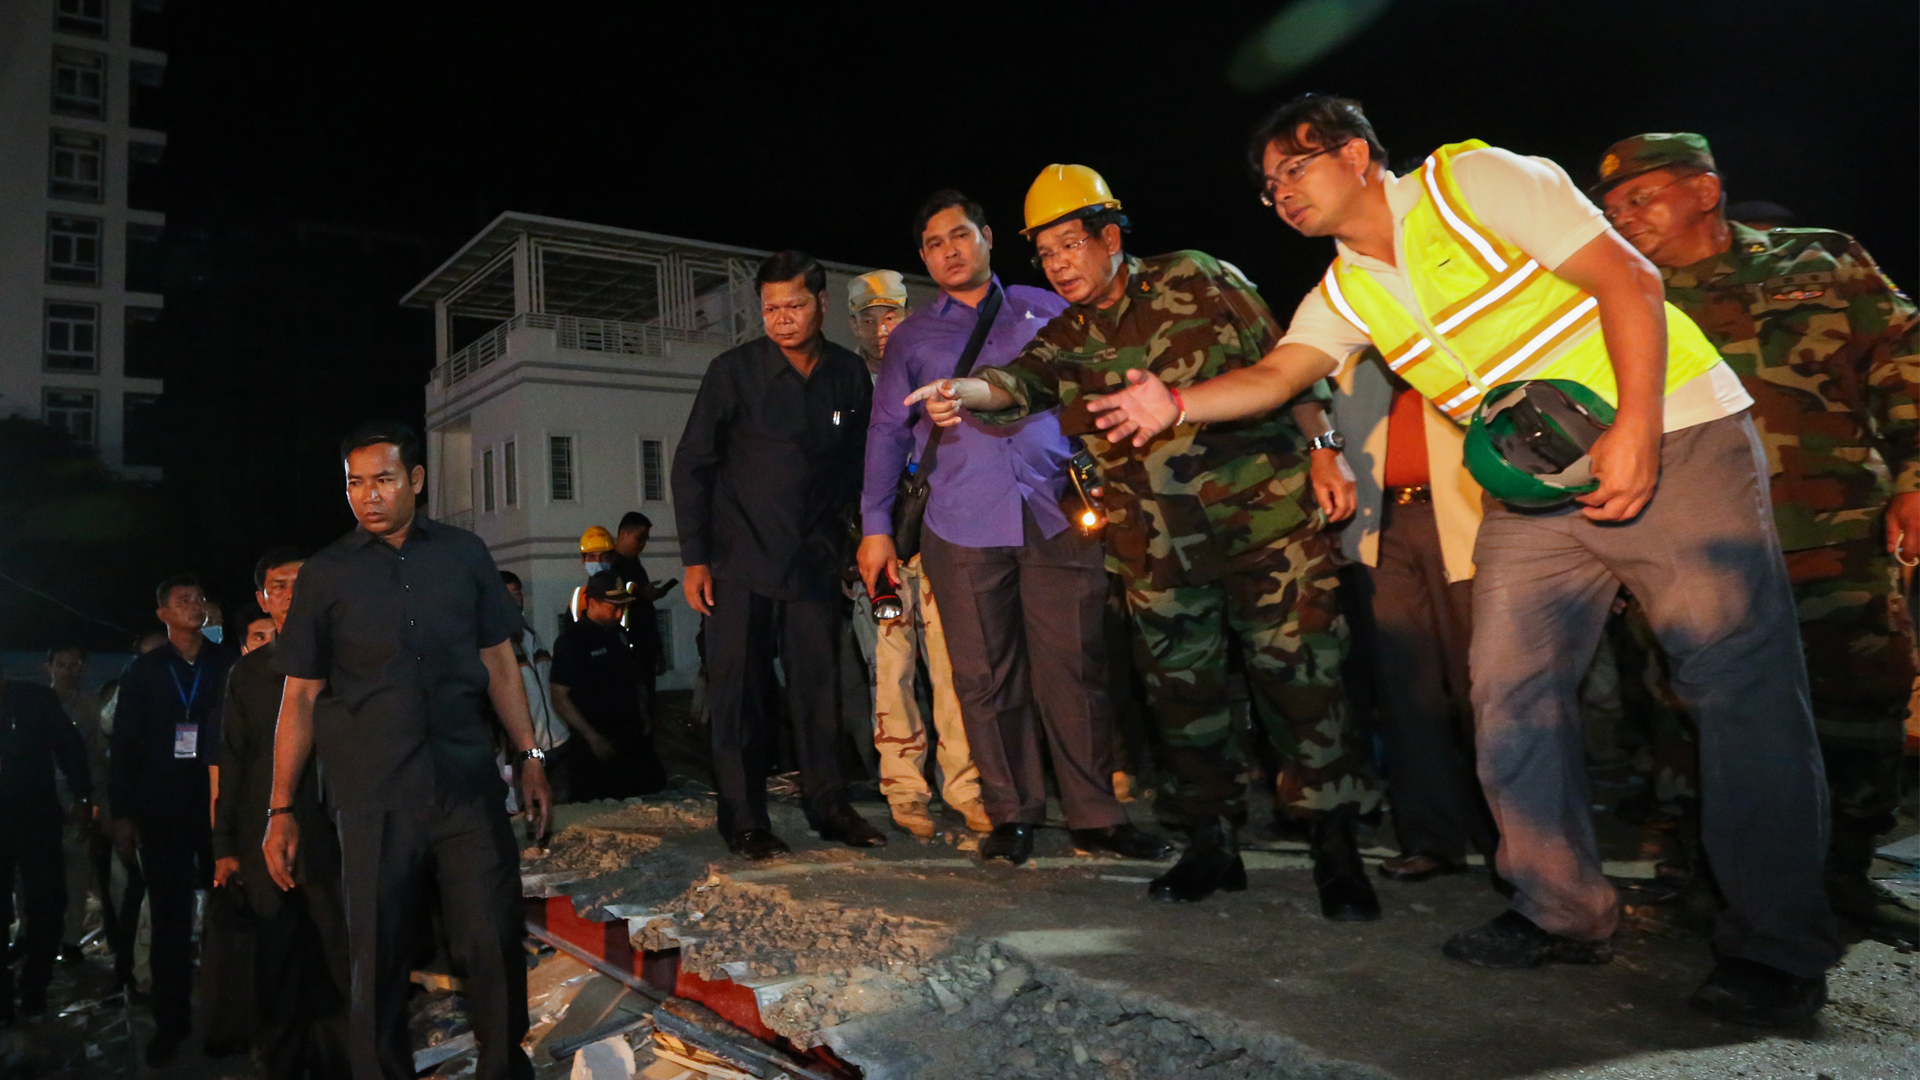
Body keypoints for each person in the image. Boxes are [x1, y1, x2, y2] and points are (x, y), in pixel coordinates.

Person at [1088, 94, 1837, 1024]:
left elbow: (1628, 280)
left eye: (1296, 168)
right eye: (1268, 185)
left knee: (1738, 691)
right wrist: (1178, 404)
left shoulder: (1473, 181)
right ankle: (1562, 908)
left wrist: (1639, 427)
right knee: (1505, 689)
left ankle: (1777, 946)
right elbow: (1284, 371)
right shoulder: (1345, 289)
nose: (1280, 194)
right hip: (1536, 489)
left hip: (1673, 431)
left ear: (1359, 154)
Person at [904, 170, 1377, 914]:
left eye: (1069, 245)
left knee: (1302, 683)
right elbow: (1015, 385)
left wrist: (1325, 447)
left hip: (1265, 525)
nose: (1057, 264)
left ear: (1110, 237)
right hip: (1158, 548)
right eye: (1046, 252)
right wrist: (961, 393)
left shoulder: (1197, 277)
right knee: (1184, 700)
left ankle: (1337, 852)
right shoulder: (1065, 336)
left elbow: (1291, 359)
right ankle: (1214, 844)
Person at [1593, 131, 1919, 945]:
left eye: (1641, 196)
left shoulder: (1817, 262)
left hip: (1830, 528)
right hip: (1687, 543)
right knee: (1686, 716)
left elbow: (1902, 361)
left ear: (1705, 191)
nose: (1624, 216)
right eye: (1611, 207)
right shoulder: (1614, 297)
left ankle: (1841, 877)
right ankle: (1702, 877)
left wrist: (1917, 477)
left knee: (1859, 702)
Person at [264, 421, 551, 1080]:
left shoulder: (464, 555)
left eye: (383, 479)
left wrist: (530, 756)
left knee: (493, 942)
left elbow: (499, 663)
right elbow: (300, 697)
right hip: (372, 798)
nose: (368, 496)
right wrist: (280, 809)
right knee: (378, 958)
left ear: (416, 481)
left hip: (466, 787)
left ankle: (505, 1069)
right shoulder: (326, 575)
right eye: (354, 483)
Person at [862, 192, 1141, 853]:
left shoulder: (1047, 308)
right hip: (960, 521)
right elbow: (884, 429)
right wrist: (875, 524)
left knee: (1074, 666)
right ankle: (1013, 815)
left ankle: (1097, 818)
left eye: (959, 235)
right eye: (933, 244)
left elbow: (1098, 390)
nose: (949, 251)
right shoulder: (912, 337)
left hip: (1056, 512)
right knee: (984, 677)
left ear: (988, 237)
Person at [672, 249, 887, 859]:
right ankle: (743, 819)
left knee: (819, 693)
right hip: (737, 562)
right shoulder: (731, 372)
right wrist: (695, 558)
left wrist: (857, 544)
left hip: (817, 562)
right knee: (739, 696)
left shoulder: (847, 374)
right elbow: (692, 465)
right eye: (771, 308)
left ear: (820, 304)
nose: (783, 318)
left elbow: (862, 468)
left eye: (794, 305)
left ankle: (830, 807)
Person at [1326, 354, 1497, 882]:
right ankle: (1431, 839)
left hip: (1468, 520)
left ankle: (1512, 845)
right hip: (1382, 527)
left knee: (1485, 691)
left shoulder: (1448, 330)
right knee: (1406, 693)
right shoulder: (1349, 346)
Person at [848, 261, 989, 840]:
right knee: (891, 667)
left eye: (893, 312)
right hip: (877, 550)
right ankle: (905, 790)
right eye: (870, 316)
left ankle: (966, 787)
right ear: (854, 323)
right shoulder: (844, 384)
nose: (883, 326)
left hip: (941, 535)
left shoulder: (938, 361)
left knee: (955, 666)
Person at [212, 547, 349, 1078]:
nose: (289, 595)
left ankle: (341, 1064)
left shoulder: (345, 661)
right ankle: (283, 1064)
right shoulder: (248, 675)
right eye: (278, 586)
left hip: (334, 835)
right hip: (263, 841)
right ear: (261, 600)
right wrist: (224, 848)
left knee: (339, 960)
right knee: (276, 963)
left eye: (299, 582)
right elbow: (233, 760)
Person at [109, 573, 234, 1063]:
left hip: (217, 804)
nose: (196, 605)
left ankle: (229, 1016)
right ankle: (171, 1021)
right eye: (184, 600)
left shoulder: (226, 662)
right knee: (169, 920)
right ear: (163, 614)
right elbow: (122, 746)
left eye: (200, 598)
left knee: (228, 913)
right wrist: (122, 814)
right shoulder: (144, 671)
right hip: (161, 808)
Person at [0, 671, 91, 1021]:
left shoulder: (34, 699)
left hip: (36, 817)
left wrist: (82, 796)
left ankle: (35, 986)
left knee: (48, 903)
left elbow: (69, 746)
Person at [551, 571, 667, 800]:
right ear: (592, 603)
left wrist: (643, 712)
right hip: (596, 743)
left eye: (622, 607)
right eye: (612, 607)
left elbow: (632, 677)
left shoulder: (618, 633)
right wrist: (592, 737)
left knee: (650, 790)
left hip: (629, 735)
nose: (618, 613)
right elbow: (559, 697)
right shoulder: (572, 640)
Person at [46, 646, 104, 964]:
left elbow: (97, 754)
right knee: (34, 875)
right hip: (41, 798)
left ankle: (70, 940)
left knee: (77, 873)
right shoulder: (37, 704)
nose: (68, 671)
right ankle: (32, 934)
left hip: (77, 796)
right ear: (49, 667)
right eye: (62, 664)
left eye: (74, 665)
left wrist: (89, 800)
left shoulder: (90, 706)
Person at [502, 571, 571, 802]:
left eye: (518, 593)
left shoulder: (531, 635)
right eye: (507, 594)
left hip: (557, 740)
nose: (515, 600)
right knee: (530, 811)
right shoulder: (494, 646)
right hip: (526, 749)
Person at [608, 512, 676, 711]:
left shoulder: (634, 563)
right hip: (625, 647)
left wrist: (658, 650)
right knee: (634, 705)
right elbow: (612, 596)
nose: (642, 544)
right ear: (624, 533)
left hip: (643, 644)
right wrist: (640, 591)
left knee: (647, 703)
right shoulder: (611, 564)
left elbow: (646, 610)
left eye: (645, 540)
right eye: (639, 538)